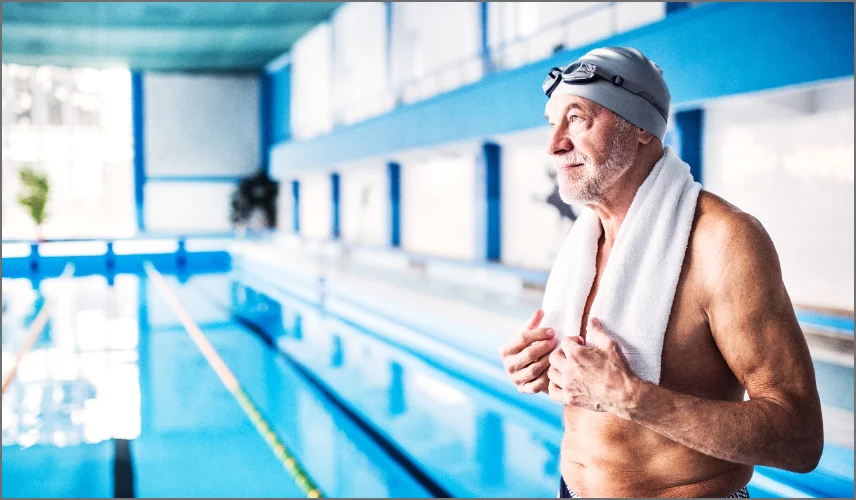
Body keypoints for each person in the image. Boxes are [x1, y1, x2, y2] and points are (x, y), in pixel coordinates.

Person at [499, 47, 823, 498]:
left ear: (640, 129)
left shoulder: (723, 241)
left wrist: (630, 398)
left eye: (577, 118)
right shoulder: (588, 238)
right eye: (551, 122)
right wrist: (536, 364)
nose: (554, 143)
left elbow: (800, 438)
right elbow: (586, 390)